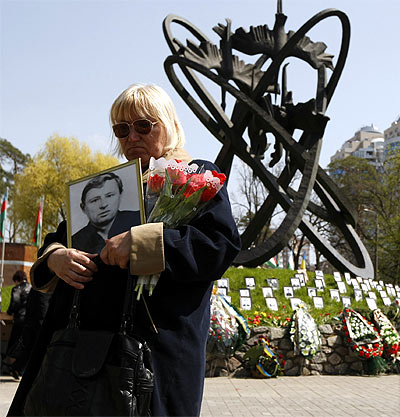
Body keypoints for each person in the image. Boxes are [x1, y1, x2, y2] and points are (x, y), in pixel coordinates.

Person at [8, 83, 241, 417]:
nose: (132, 136)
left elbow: (219, 245)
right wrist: (57, 257)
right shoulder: (106, 185)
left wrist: (145, 243)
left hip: (153, 357)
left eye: (144, 125)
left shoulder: (194, 176)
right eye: (122, 129)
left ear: (170, 125)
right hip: (79, 353)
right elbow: (58, 239)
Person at [72, 171, 141, 254]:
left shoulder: (139, 219)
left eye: (109, 196)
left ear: (120, 195)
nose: (103, 205)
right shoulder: (75, 241)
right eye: (95, 200)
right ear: (83, 208)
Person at [4, 270, 31, 379]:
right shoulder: (31, 288)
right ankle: (19, 368)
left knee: (13, 343)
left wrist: (10, 312)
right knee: (25, 343)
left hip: (19, 319)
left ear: (17, 280)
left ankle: (10, 365)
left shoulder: (17, 289)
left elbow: (14, 302)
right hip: (29, 320)